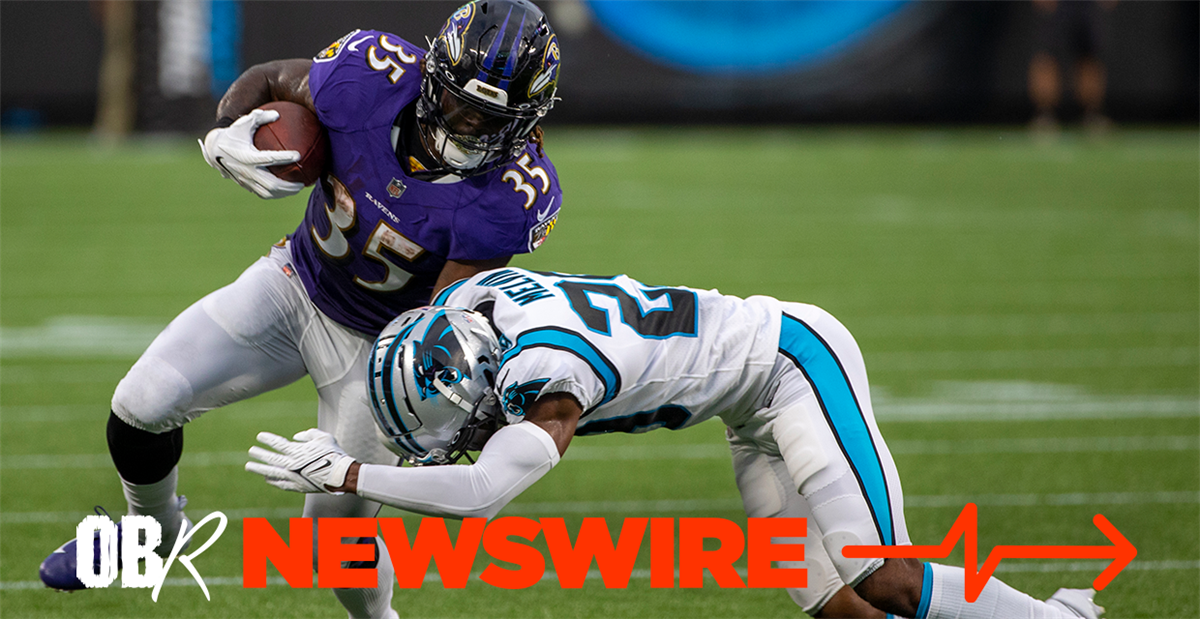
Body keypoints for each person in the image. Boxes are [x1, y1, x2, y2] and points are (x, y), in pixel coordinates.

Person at [40, 3, 562, 618]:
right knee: (141, 402)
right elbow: (267, 79)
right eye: (457, 104)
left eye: (491, 119)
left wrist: (433, 390)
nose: (469, 127)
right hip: (297, 281)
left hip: (382, 346)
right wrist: (227, 129)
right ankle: (149, 533)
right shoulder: (373, 73)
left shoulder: (513, 193)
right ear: (431, 76)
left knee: (333, 544)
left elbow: (441, 316)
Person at [247, 268, 1106, 619]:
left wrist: (355, 470)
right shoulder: (476, 305)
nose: (457, 441)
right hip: (743, 402)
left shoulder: (550, 376)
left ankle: (1059, 617)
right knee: (821, 597)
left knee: (874, 569)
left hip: (792, 363)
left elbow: (483, 497)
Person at [1028, 0, 1118, 137]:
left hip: (1087, 4)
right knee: (1047, 57)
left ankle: (1092, 115)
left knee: (1089, 58)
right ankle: (1044, 116)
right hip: (1058, 4)